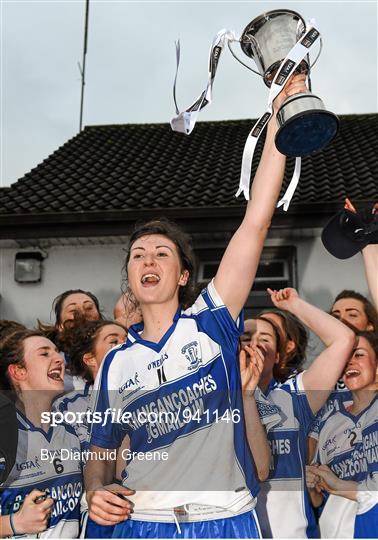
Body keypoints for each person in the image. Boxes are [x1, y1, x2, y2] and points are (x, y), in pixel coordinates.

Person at [84, 73, 308, 539]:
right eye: (138, 255)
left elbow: (256, 220)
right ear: (129, 276)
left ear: (183, 275)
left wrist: (279, 116)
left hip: (223, 520)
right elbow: (102, 450)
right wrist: (94, 491)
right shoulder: (115, 364)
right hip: (142, 522)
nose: (148, 259)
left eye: (161, 253)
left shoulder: (212, 321)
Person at [246, 288, 355, 538]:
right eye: (245, 337)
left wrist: (295, 305)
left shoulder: (293, 395)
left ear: (280, 354)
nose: (253, 344)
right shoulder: (216, 402)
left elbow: (343, 340)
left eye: (264, 338)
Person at [0, 329, 83, 538]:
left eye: (58, 352)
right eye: (44, 353)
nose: (59, 359)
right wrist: (13, 523)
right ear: (19, 372)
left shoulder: (73, 429)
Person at [53, 316, 127, 539]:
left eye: (128, 340)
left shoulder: (152, 397)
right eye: (113, 341)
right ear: (90, 359)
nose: (124, 346)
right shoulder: (67, 406)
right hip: (100, 513)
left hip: (152, 508)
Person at [307, 331, 378, 538]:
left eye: (359, 355)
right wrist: (312, 485)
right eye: (345, 357)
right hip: (337, 529)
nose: (350, 362)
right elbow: (319, 499)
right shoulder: (328, 421)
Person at [38, 289, 104, 393]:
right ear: (60, 326)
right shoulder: (54, 364)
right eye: (73, 310)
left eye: (89, 308)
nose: (82, 313)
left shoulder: (116, 351)